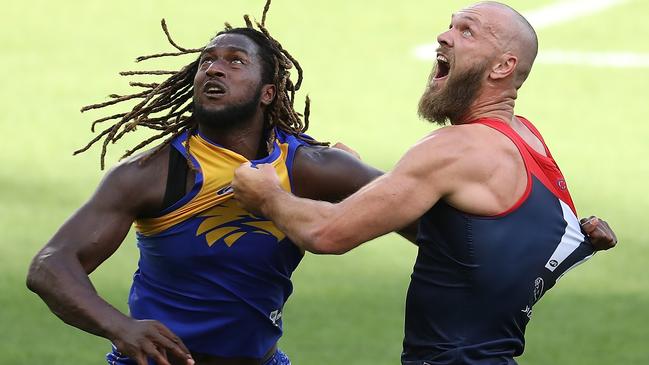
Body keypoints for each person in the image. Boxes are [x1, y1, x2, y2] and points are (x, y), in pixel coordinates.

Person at [231, 2, 618, 364]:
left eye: (467, 32)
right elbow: (470, 243)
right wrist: (362, 185)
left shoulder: (454, 149)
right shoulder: (526, 140)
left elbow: (326, 234)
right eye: (450, 25)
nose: (444, 36)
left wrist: (267, 195)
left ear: (502, 67)